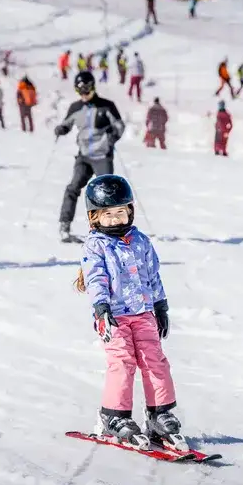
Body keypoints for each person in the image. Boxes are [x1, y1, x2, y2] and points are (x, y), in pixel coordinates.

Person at [74, 174, 180, 449]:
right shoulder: (95, 245)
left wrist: (160, 305)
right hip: (113, 317)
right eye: (108, 214)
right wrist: (101, 308)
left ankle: (160, 414)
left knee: (154, 360)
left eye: (121, 212)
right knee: (122, 363)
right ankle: (114, 417)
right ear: (95, 217)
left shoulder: (141, 241)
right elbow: (95, 278)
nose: (116, 219)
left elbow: (153, 275)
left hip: (144, 313)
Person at [54, 71, 125, 242]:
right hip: (84, 156)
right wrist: (61, 129)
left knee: (107, 192)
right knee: (73, 187)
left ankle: (113, 229)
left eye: (87, 89)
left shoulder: (107, 106)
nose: (84, 94)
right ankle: (65, 225)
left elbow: (120, 125)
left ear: (93, 87)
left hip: (102, 156)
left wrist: (112, 136)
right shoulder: (75, 108)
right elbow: (67, 124)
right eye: (80, 91)